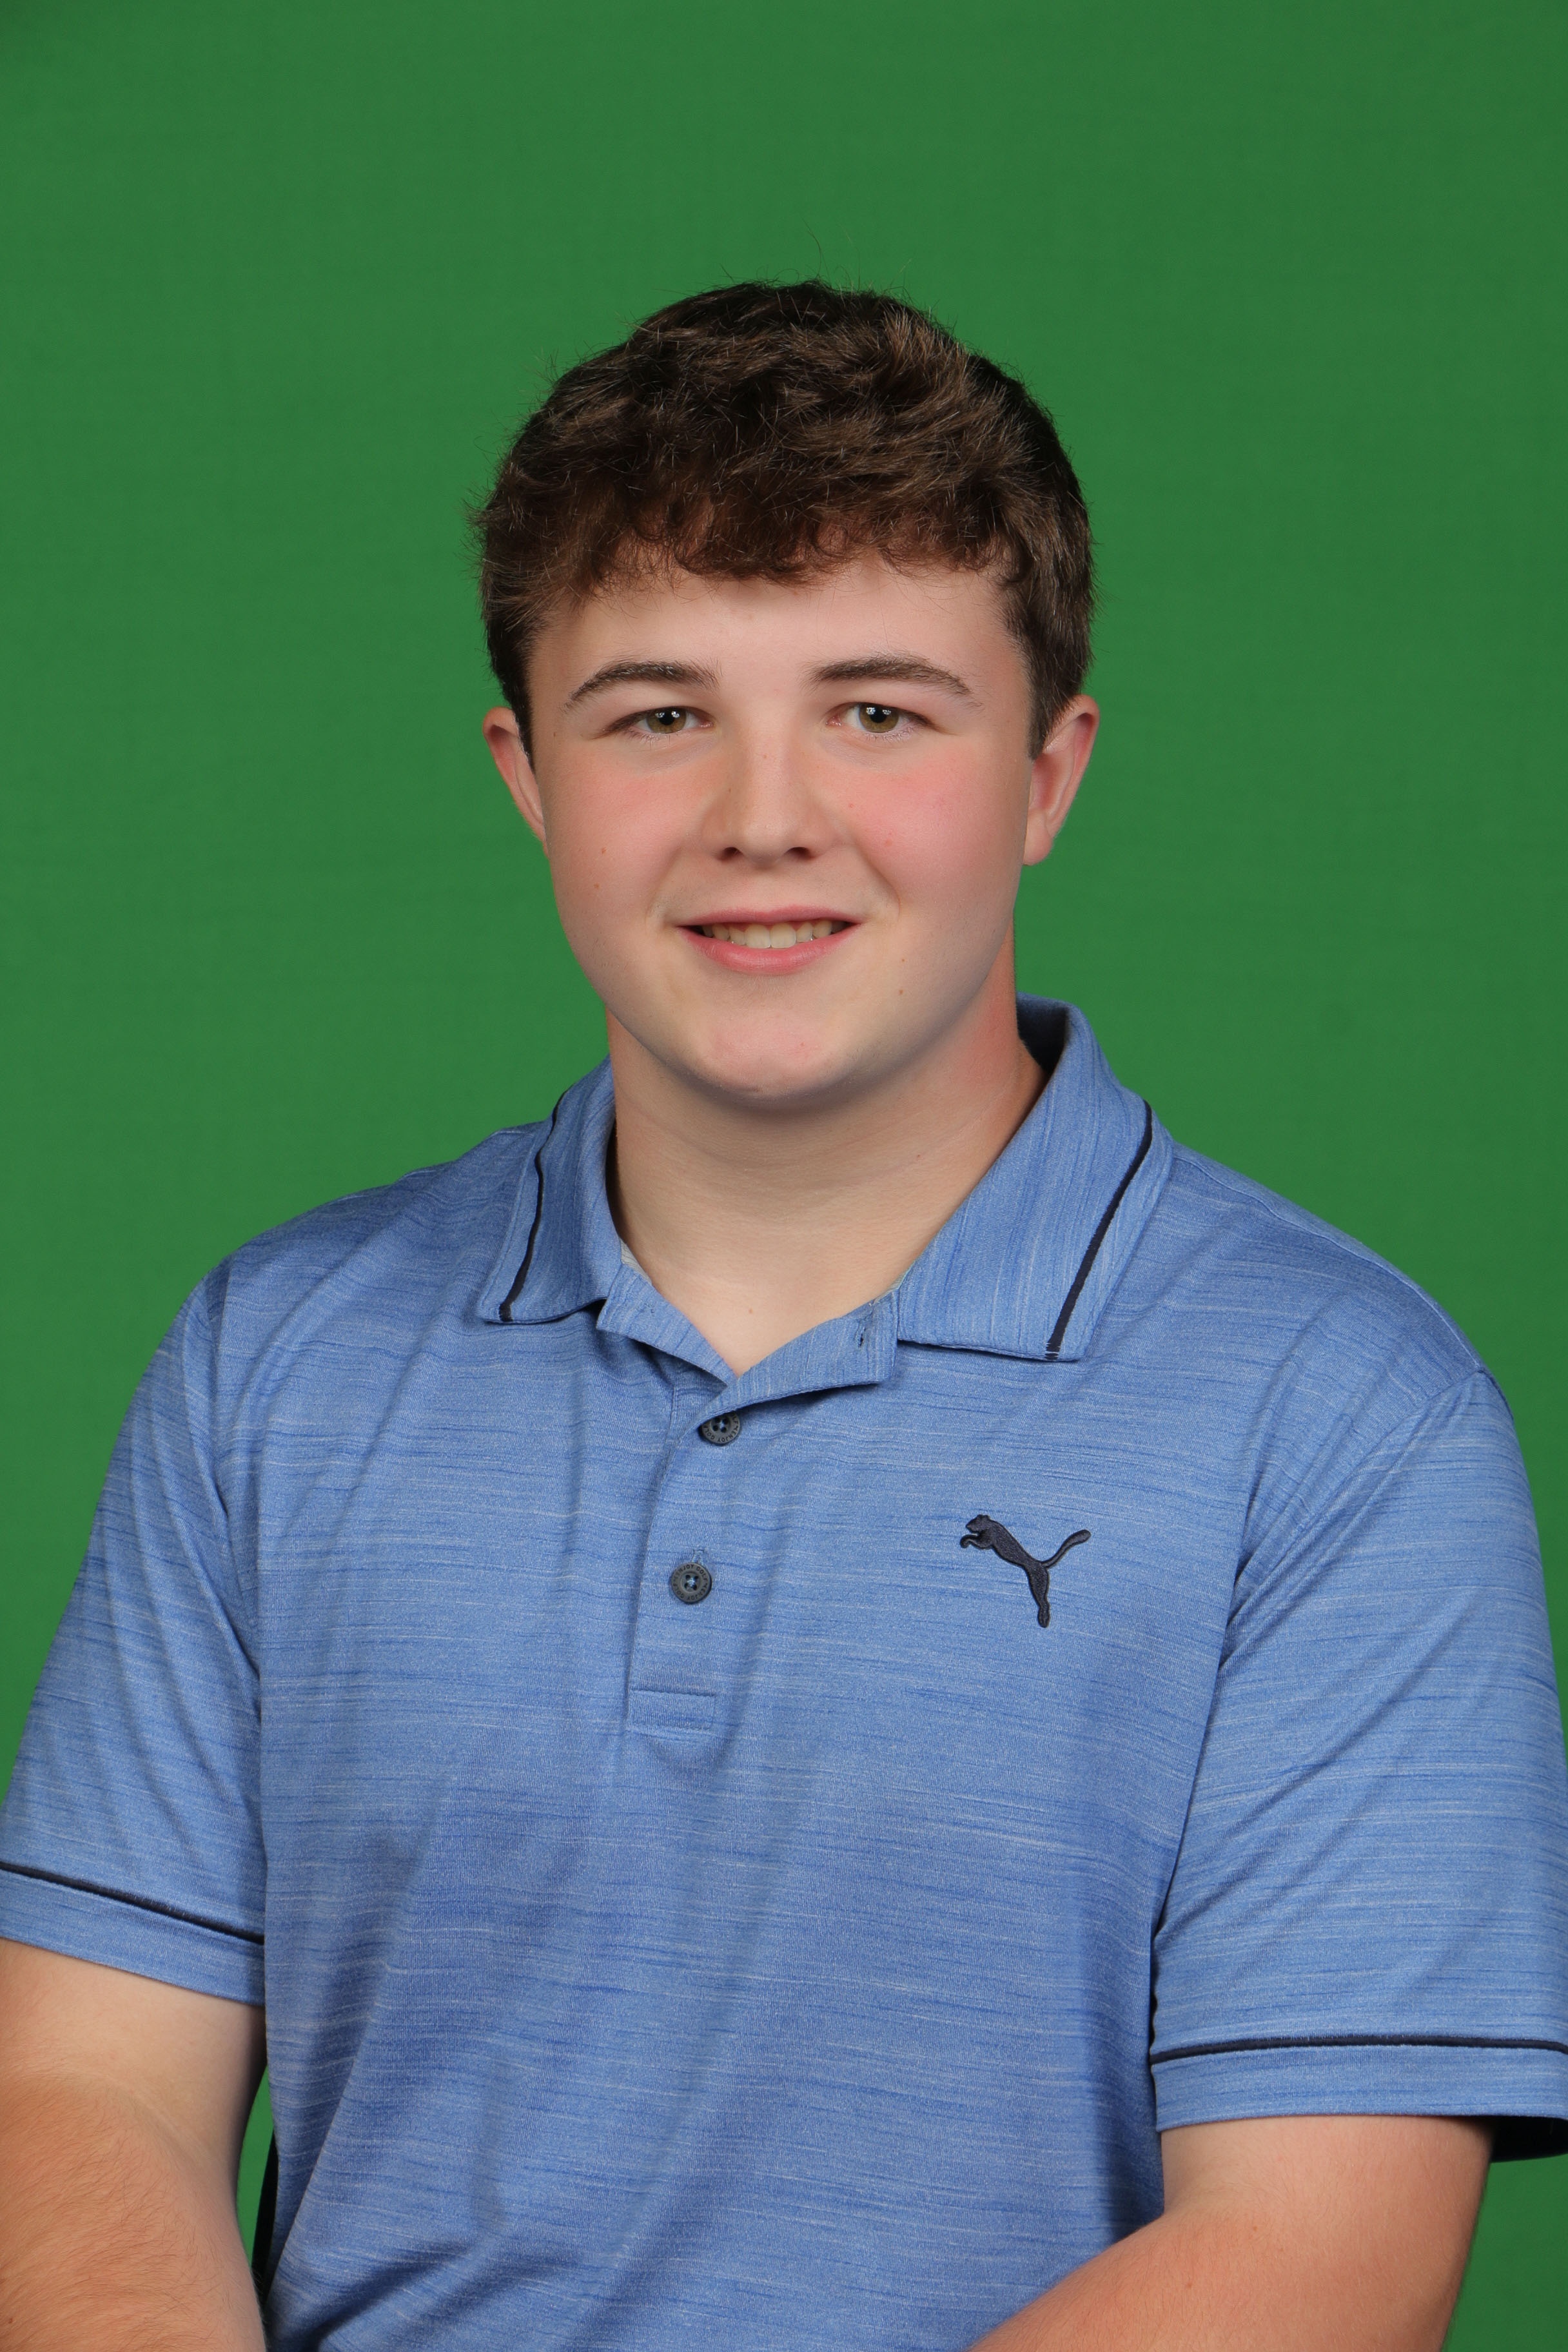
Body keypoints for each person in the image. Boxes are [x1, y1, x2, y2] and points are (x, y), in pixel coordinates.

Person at [1, 281, 1564, 2352]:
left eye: (880, 712)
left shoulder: (1343, 1415)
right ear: (528, 774)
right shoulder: (272, 1363)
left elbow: (1324, 2257)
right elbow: (80, 2094)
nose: (764, 814)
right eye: (658, 714)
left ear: (1049, 773)